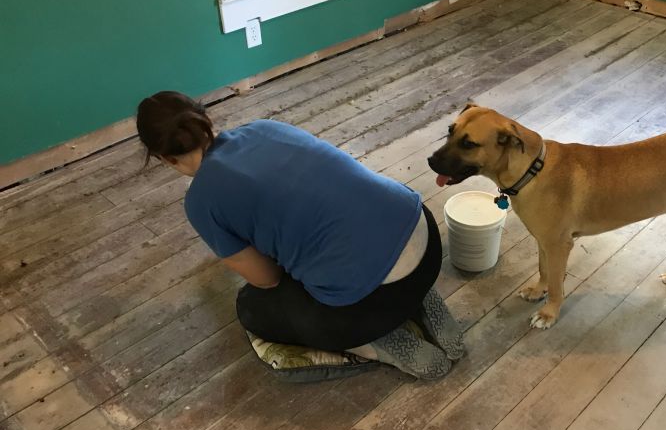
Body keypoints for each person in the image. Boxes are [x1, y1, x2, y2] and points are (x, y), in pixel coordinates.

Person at [135, 90, 463, 379]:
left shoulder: (200, 203)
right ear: (206, 117)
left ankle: (380, 341)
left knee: (254, 306)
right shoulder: (264, 128)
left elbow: (267, 278)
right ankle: (419, 296)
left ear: (164, 158)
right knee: (362, 235)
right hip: (424, 234)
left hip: (369, 304)